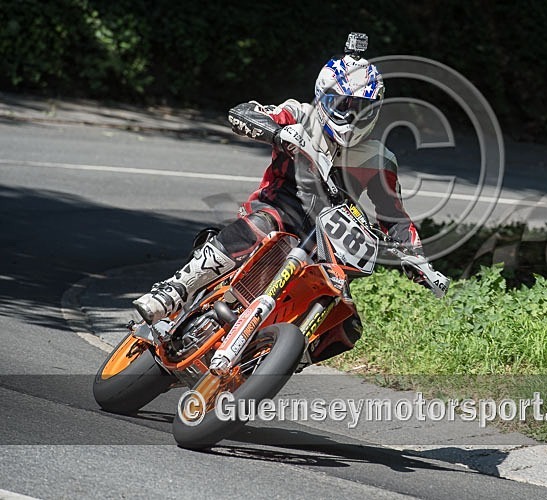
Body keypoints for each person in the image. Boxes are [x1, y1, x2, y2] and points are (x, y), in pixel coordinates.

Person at [133, 33, 445, 363]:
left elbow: (393, 216)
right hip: (279, 206)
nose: (351, 116)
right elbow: (242, 113)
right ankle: (173, 291)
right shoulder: (299, 113)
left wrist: (418, 260)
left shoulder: (379, 159)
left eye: (361, 110)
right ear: (323, 97)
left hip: (328, 237)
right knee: (261, 224)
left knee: (347, 323)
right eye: (342, 105)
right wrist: (278, 132)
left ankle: (269, 360)